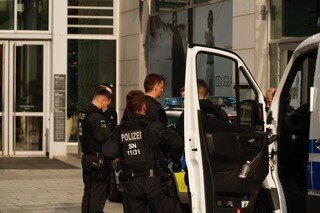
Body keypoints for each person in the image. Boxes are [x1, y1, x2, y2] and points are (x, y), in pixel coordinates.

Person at [102, 90, 183, 213]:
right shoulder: (153, 127)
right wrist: (171, 156)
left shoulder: (120, 130)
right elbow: (177, 142)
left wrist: (119, 156)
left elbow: (108, 151)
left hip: (131, 183)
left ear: (128, 108)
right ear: (144, 106)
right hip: (153, 182)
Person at [78, 88, 113, 213]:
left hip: (87, 158)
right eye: (106, 104)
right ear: (102, 100)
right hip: (98, 160)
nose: (106, 108)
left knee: (88, 193)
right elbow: (106, 139)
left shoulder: (83, 113)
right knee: (98, 195)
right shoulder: (97, 117)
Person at [205, 10, 215, 95]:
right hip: (208, 64)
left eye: (212, 19)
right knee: (207, 87)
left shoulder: (211, 33)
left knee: (212, 89)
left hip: (212, 64)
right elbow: (208, 46)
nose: (211, 21)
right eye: (210, 19)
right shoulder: (207, 33)